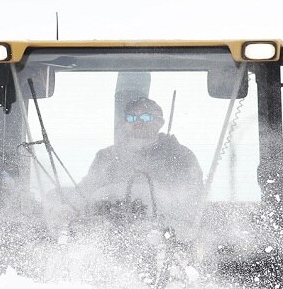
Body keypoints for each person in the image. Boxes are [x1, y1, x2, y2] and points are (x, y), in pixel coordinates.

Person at [72, 97, 205, 231]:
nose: (138, 121)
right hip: (105, 233)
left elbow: (193, 201)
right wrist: (64, 205)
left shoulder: (180, 157)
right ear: (125, 123)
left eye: (146, 117)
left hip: (166, 236)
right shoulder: (106, 157)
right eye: (131, 118)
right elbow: (84, 192)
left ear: (160, 122)